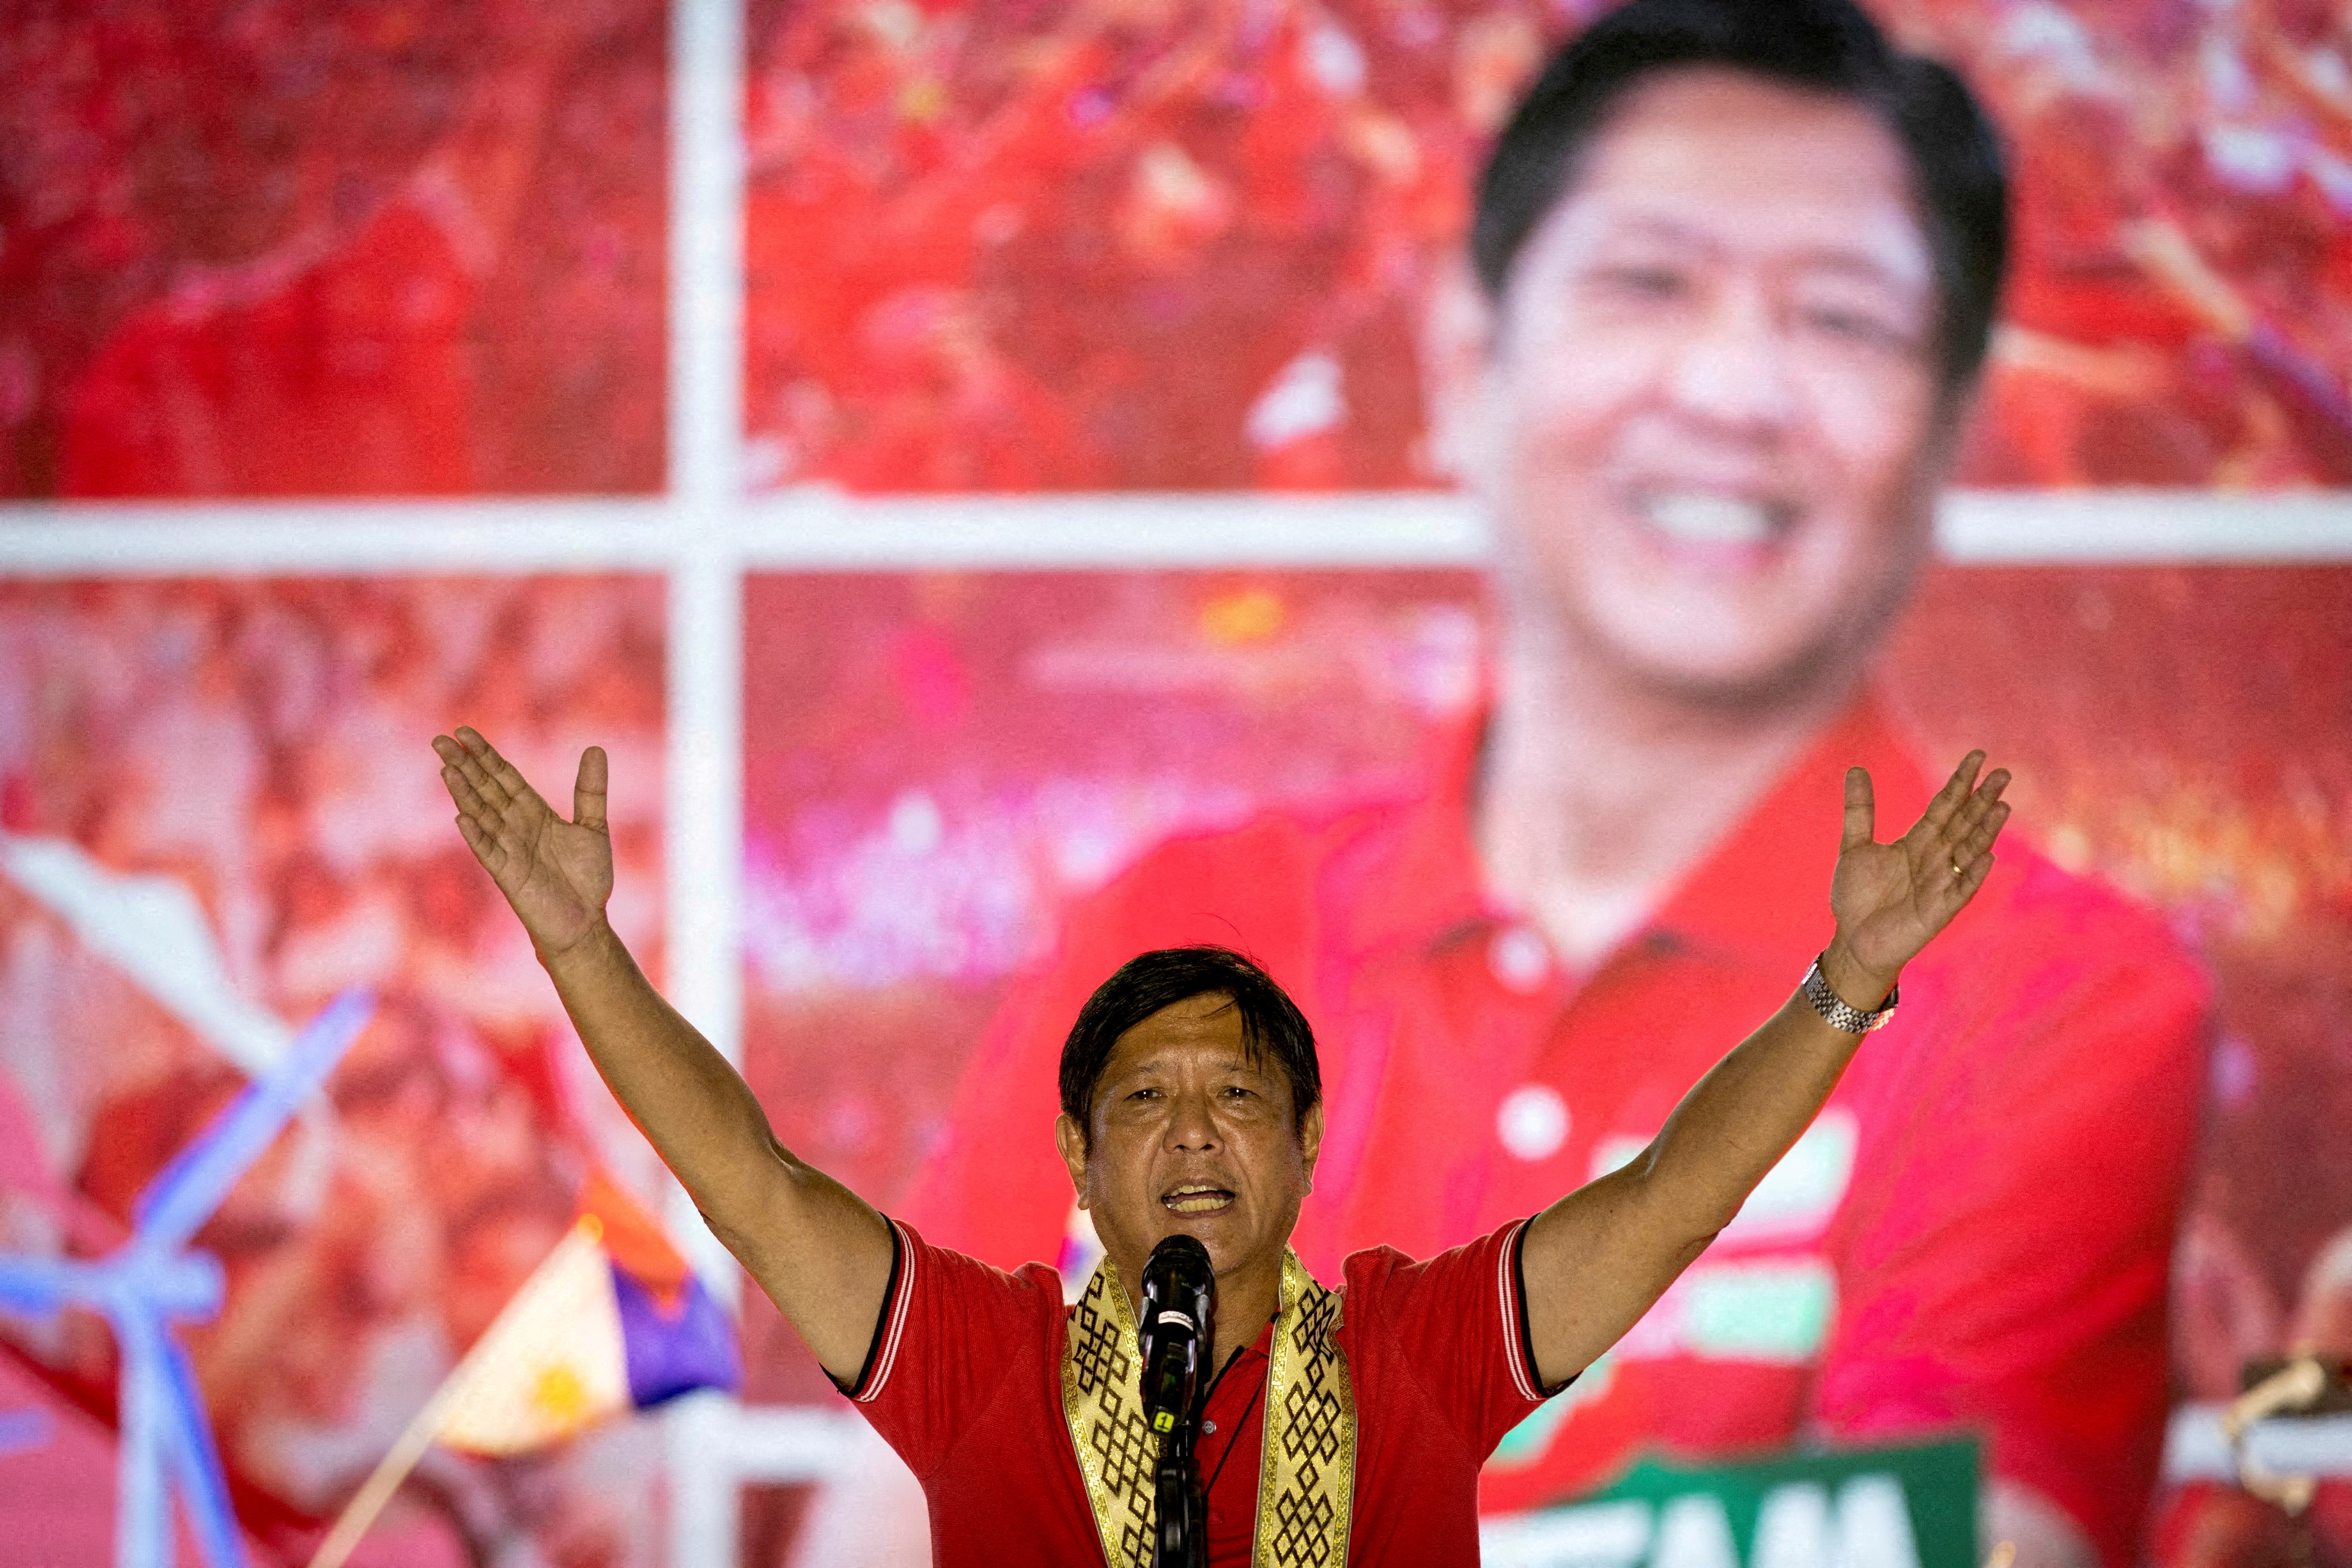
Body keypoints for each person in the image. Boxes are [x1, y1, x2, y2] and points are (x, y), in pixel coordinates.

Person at [842, 3, 2209, 1566]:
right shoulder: (1186, 931)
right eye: (1648, 284)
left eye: (1844, 320)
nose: (1734, 386)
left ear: (1957, 430)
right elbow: (894, 1531)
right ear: (1462, 352)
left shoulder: (2055, 1004)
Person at [432, 719, 2009, 1564]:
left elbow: (1668, 1201)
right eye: (1144, 1102)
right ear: (1072, 1154)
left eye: (1238, 1095)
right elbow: (750, 1179)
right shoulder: (979, 1365)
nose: (1193, 1135)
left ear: (1310, 1144)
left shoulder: (1416, 1348)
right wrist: (584, 954)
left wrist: (1846, 983)